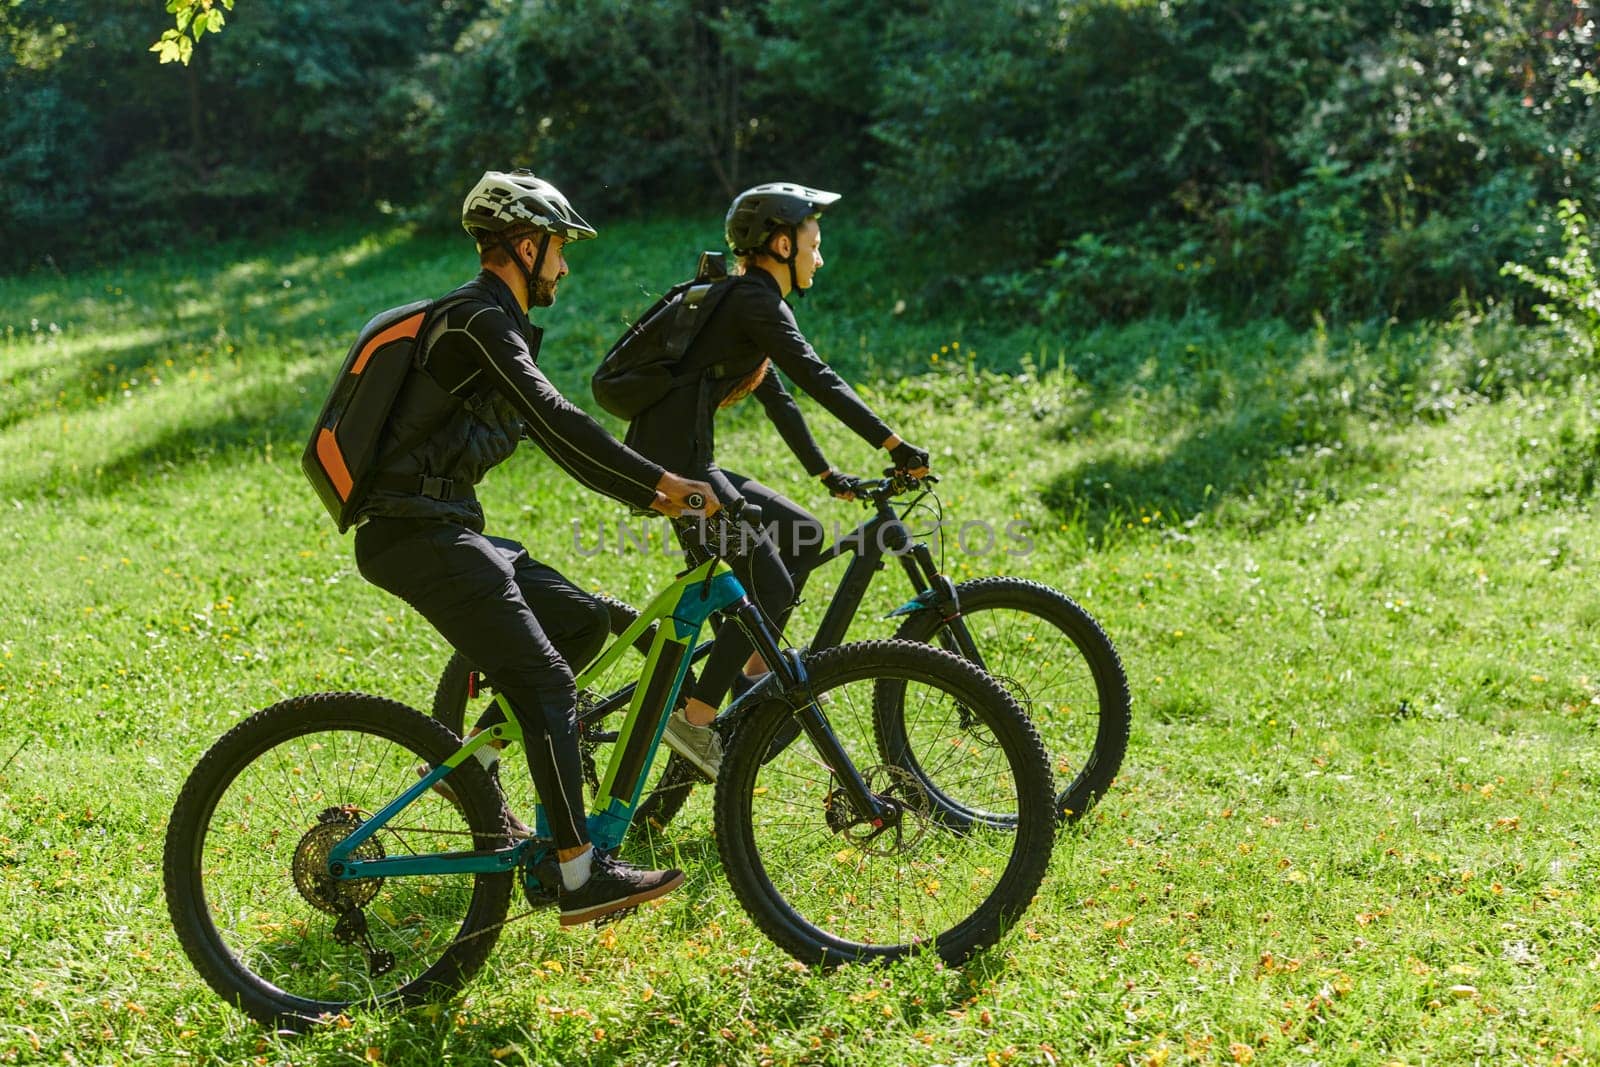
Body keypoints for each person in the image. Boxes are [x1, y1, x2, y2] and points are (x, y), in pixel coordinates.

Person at [352, 168, 719, 928]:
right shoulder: (477, 322)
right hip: (413, 531)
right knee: (548, 682)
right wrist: (661, 484)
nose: (563, 265)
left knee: (579, 625)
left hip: (448, 524)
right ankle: (580, 873)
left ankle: (469, 770)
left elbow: (562, 441)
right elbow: (557, 421)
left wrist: (649, 490)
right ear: (523, 245)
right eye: (556, 249)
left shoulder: (493, 323)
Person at [624, 182, 930, 779]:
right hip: (678, 475)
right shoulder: (752, 303)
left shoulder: (744, 306)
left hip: (688, 462)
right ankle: (696, 718)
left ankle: (752, 668)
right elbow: (817, 375)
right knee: (773, 587)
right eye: (814, 245)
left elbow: (780, 394)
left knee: (804, 535)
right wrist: (895, 445)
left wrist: (825, 473)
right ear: (782, 243)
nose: (820, 258)